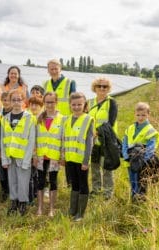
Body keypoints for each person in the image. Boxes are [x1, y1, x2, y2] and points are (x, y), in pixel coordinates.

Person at [1, 89, 36, 216]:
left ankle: (23, 203)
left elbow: (31, 140)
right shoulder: (5, 119)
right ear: (10, 101)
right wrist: (4, 159)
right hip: (10, 157)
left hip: (23, 157)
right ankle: (14, 202)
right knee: (13, 180)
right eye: (13, 100)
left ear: (23, 101)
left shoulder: (29, 118)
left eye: (19, 99)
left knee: (23, 181)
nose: (16, 102)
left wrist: (27, 159)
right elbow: (2, 140)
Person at [43, 59, 76, 187]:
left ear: (60, 68)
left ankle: (70, 183)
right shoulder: (46, 84)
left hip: (65, 121)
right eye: (51, 68)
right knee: (48, 150)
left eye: (56, 68)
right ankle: (47, 182)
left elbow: (74, 101)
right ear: (48, 70)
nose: (54, 70)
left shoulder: (69, 82)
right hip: (50, 121)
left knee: (67, 152)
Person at [122, 102, 159, 201]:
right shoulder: (130, 128)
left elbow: (151, 148)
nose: (140, 117)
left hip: (142, 162)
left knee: (141, 182)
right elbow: (125, 143)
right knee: (132, 180)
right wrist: (126, 155)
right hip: (130, 160)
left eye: (143, 115)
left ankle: (140, 200)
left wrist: (143, 161)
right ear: (134, 114)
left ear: (148, 114)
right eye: (138, 115)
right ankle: (133, 199)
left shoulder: (150, 130)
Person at [34, 92, 66, 217]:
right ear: (44, 103)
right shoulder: (39, 118)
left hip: (54, 156)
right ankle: (40, 208)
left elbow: (63, 138)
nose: (49, 104)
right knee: (40, 181)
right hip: (41, 155)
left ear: (56, 102)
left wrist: (63, 156)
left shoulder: (62, 119)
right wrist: (35, 156)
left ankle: (52, 209)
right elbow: (35, 138)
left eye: (52, 102)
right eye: (47, 102)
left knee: (53, 181)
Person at [64, 92, 94, 222]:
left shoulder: (88, 119)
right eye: (74, 105)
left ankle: (80, 213)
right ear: (70, 105)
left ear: (84, 105)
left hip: (82, 160)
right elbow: (65, 139)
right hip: (70, 158)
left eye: (79, 104)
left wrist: (86, 161)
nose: (76, 107)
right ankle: (72, 209)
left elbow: (89, 142)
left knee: (83, 184)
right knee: (74, 183)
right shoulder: (67, 119)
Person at [88, 77, 118, 200]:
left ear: (108, 89)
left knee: (107, 167)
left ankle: (107, 193)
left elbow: (110, 122)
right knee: (94, 166)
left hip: (107, 140)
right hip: (92, 141)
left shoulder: (112, 103)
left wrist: (97, 132)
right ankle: (95, 190)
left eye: (105, 86)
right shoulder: (90, 103)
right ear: (94, 87)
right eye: (99, 86)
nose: (101, 88)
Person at [0, 91, 11, 201]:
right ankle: (4, 191)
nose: (6, 102)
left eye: (8, 100)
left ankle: (11, 191)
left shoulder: (15, 114)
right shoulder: (0, 114)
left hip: (11, 148)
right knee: (2, 170)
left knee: (10, 170)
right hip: (1, 147)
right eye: (4, 100)